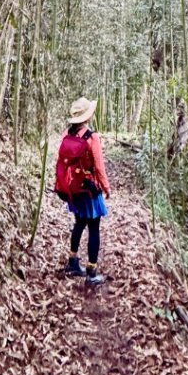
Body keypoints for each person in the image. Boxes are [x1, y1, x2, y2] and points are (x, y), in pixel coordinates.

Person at [56, 96, 111, 285]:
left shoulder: (66, 134)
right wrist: (106, 187)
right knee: (94, 227)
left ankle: (73, 261)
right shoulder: (91, 137)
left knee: (79, 222)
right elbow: (99, 166)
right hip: (89, 189)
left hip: (73, 189)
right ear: (87, 116)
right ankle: (92, 271)